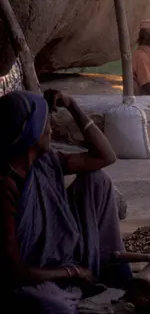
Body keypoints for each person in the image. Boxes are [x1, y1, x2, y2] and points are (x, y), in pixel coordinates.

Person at [0, 90, 132, 313]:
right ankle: (80, 283)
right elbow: (16, 271)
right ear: (29, 130)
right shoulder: (6, 186)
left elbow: (106, 156)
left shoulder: (47, 161)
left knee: (97, 180)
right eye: (44, 123)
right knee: (51, 303)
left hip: (62, 259)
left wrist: (73, 105)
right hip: (30, 276)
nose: (50, 129)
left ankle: (109, 267)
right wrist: (74, 272)